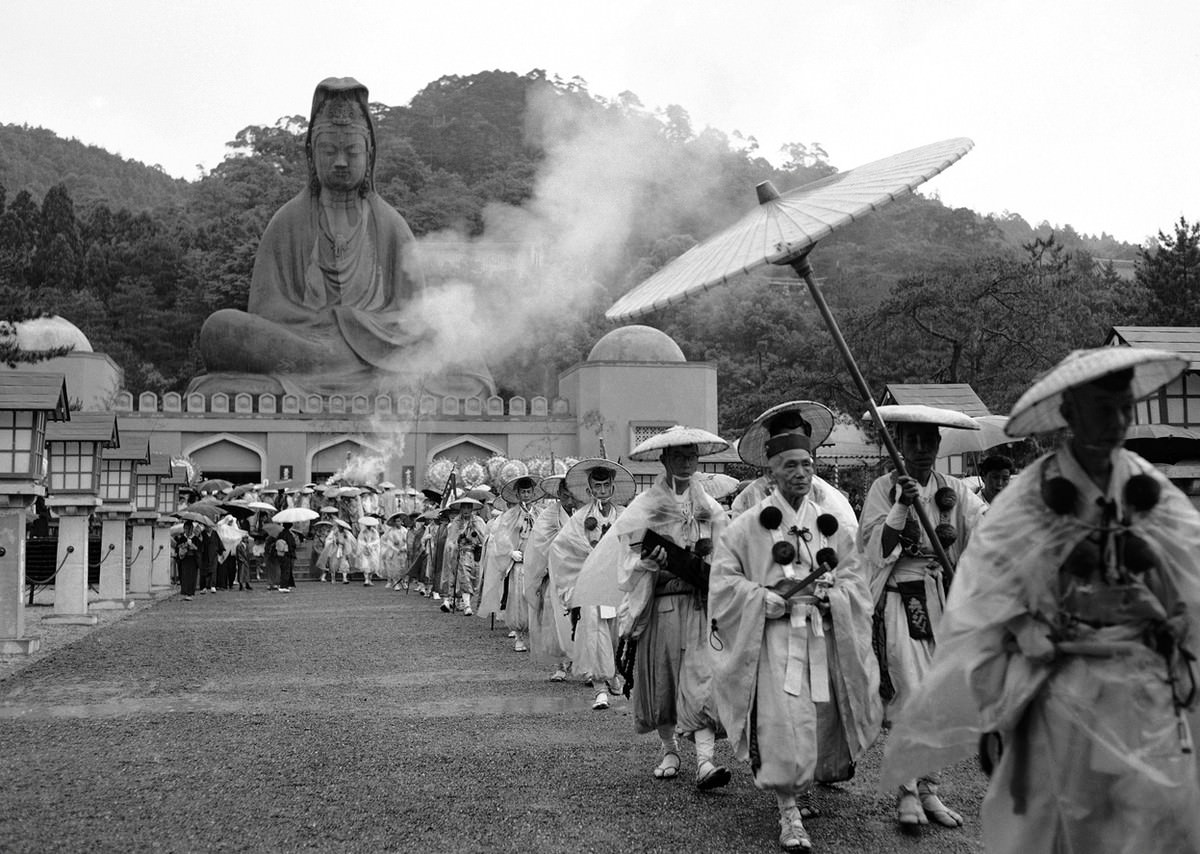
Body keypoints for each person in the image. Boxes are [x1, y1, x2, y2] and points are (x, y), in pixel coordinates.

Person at [882, 347, 1200, 853]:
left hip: (1141, 685)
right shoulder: (1029, 498)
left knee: (1145, 821)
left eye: (1125, 407)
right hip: (1060, 681)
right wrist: (1031, 642)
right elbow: (988, 596)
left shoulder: (1148, 486)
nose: (1117, 421)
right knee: (1064, 819)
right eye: (1102, 408)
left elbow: (1190, 576)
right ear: (1071, 413)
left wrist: (1167, 619)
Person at [191, 77, 493, 399]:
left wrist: (360, 325)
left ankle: (315, 385)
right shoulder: (287, 222)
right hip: (310, 346)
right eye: (329, 150)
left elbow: (415, 317)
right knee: (220, 329)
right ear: (311, 153)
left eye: (351, 151)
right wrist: (328, 325)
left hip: (379, 351)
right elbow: (265, 311)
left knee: (457, 340)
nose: (340, 162)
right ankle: (369, 386)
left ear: (369, 153)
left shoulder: (390, 225)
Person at [711, 401, 883, 853]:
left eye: (807, 464)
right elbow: (723, 583)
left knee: (816, 718)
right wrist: (757, 598)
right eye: (790, 465)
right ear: (772, 471)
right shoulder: (746, 525)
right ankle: (788, 814)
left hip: (821, 633)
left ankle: (801, 792)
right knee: (782, 722)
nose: (801, 474)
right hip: (774, 639)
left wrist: (835, 595)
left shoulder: (830, 525)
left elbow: (855, 578)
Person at [857, 405, 986, 831]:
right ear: (899, 445)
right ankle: (907, 791)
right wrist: (899, 506)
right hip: (901, 597)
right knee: (911, 694)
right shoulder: (883, 486)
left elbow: (981, 538)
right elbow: (875, 547)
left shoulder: (956, 490)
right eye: (910, 441)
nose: (919, 449)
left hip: (944, 598)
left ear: (936, 444)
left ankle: (930, 788)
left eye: (927, 441)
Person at [611, 426, 732, 790]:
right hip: (662, 603)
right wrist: (651, 562)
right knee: (663, 678)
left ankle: (706, 761)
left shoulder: (709, 507)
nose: (685, 463)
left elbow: (726, 554)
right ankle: (669, 748)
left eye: (691, 456)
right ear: (664, 460)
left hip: (699, 605)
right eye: (678, 456)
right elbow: (627, 556)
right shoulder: (645, 506)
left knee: (702, 679)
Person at [551, 459, 638, 710]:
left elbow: (634, 545)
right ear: (589, 490)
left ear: (613, 488)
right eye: (596, 486)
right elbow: (561, 548)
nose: (601, 491)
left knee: (617, 633)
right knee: (595, 632)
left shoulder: (624, 515)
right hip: (590, 584)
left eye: (605, 486)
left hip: (617, 584)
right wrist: (590, 555)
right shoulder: (580, 518)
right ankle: (600, 686)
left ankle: (613, 674)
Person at [478, 474, 544, 651]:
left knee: (536, 596)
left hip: (535, 561)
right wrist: (510, 552)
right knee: (518, 597)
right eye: (523, 492)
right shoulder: (510, 515)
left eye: (529, 491)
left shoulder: (540, 513)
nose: (526, 495)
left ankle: (535, 633)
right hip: (519, 562)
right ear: (518, 494)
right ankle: (519, 635)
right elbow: (501, 536)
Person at [523, 474, 578, 682]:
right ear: (558, 494)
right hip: (554, 572)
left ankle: (586, 664)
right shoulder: (549, 516)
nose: (569, 500)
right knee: (556, 618)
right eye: (565, 495)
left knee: (583, 618)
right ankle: (560, 665)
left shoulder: (585, 512)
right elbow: (539, 544)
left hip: (580, 573)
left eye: (572, 495)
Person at [441, 498, 487, 614]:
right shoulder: (456, 522)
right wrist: (460, 536)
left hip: (476, 553)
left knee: (475, 578)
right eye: (464, 507)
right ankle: (465, 605)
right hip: (460, 553)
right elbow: (451, 539)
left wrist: (475, 535)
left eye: (468, 507)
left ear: (471, 509)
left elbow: (484, 537)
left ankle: (464, 601)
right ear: (461, 509)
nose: (466, 510)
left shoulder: (478, 521)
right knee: (462, 576)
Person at [173, 520, 202, 601]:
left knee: (192, 576)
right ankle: (185, 592)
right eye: (186, 528)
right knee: (184, 576)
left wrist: (193, 546)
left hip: (193, 559)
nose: (188, 530)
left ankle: (190, 593)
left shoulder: (195, 539)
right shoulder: (181, 538)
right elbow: (177, 548)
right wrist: (184, 545)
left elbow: (200, 549)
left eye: (189, 528)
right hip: (184, 560)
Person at [381, 512, 409, 590]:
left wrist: (404, 548)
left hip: (403, 552)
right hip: (395, 552)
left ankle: (404, 582)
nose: (398, 523)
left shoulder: (405, 530)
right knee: (395, 567)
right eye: (396, 521)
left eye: (399, 521)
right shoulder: (391, 531)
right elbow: (389, 543)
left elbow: (408, 540)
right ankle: (396, 582)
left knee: (404, 567)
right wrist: (396, 550)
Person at [357, 516, 381, 586]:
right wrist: (365, 544)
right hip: (365, 549)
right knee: (365, 564)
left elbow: (377, 540)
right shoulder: (363, 532)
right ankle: (366, 579)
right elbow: (360, 540)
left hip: (372, 550)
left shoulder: (374, 531)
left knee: (373, 565)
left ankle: (370, 579)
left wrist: (371, 544)